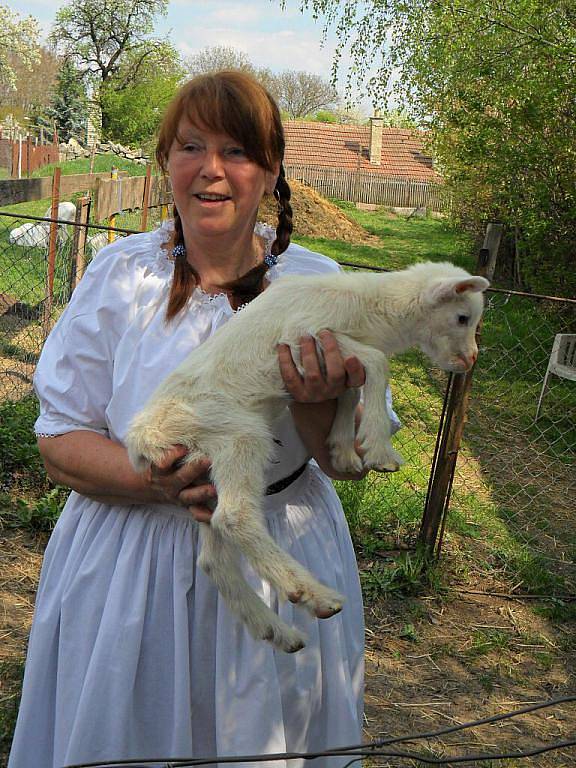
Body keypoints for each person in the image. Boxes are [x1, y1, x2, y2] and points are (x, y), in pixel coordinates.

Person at [8, 71, 399, 768]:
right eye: (190, 146)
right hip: (127, 566)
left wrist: (313, 402)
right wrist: (154, 481)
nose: (211, 169)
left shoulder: (319, 287)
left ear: (272, 170)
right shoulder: (120, 277)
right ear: (166, 162)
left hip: (274, 555)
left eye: (237, 151)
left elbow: (349, 462)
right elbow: (59, 443)